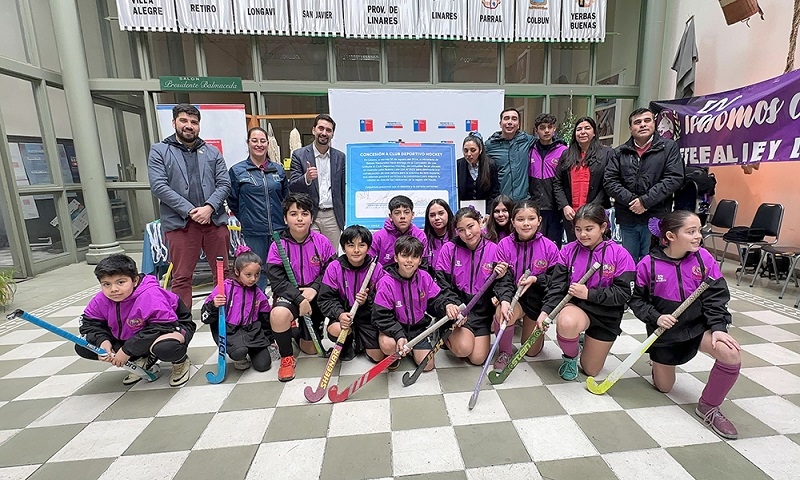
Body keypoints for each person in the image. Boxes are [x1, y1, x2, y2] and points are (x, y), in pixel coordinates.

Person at [629, 210, 741, 439]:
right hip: (666, 334)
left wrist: (718, 327)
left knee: (731, 354)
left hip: (698, 327)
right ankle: (657, 363)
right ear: (670, 236)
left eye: (699, 230)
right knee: (665, 387)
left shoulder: (704, 258)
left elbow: (717, 296)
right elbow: (636, 301)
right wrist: (656, 317)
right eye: (691, 231)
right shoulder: (648, 264)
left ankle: (708, 406)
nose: (698, 236)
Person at [536, 204, 635, 381]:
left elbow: (623, 294)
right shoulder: (567, 251)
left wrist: (589, 293)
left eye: (589, 229)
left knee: (591, 370)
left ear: (603, 227)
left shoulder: (620, 254)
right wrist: (545, 312)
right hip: (577, 308)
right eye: (578, 229)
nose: (582, 235)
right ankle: (570, 356)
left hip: (607, 315)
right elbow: (557, 287)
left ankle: (585, 340)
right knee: (567, 323)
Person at [147, 103, 231, 308]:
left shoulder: (212, 152)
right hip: (181, 224)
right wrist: (191, 211)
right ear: (174, 122)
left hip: (214, 222)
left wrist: (209, 207)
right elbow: (159, 186)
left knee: (223, 273)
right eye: (184, 120)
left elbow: (224, 183)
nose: (189, 126)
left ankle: (225, 315)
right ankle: (183, 322)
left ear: (199, 126)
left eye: (194, 122)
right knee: (182, 276)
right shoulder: (160, 151)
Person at [78, 254, 195, 387]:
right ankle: (141, 358)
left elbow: (163, 326)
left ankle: (180, 360)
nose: (113, 289)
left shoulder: (151, 295)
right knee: (84, 345)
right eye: (106, 284)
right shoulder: (100, 300)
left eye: (120, 282)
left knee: (165, 347)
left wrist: (127, 350)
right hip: (133, 335)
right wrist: (102, 342)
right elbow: (89, 325)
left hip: (172, 329)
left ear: (134, 280)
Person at [266, 193, 337, 382]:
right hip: (290, 295)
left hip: (314, 295)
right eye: (293, 213)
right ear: (285, 218)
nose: (299, 218)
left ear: (311, 217)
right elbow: (277, 281)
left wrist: (313, 289)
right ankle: (286, 357)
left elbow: (331, 271)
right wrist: (299, 299)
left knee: (310, 349)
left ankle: (290, 332)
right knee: (278, 315)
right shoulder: (277, 245)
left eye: (304, 214)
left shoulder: (322, 241)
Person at [604, 108, 685, 262]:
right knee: (628, 260)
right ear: (630, 128)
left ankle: (648, 287)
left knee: (652, 261)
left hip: (655, 217)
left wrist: (645, 201)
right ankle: (630, 286)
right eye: (637, 122)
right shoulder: (619, 152)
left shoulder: (668, 148)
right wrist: (633, 201)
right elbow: (610, 181)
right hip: (628, 216)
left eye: (647, 121)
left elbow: (674, 178)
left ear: (654, 124)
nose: (642, 125)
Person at [435, 207, 511, 365]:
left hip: (481, 313)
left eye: (471, 226)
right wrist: (453, 305)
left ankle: (464, 336)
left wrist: (503, 297)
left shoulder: (494, 249)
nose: (467, 234)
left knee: (477, 359)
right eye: (461, 230)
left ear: (480, 222)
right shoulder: (449, 249)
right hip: (458, 310)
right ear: (456, 231)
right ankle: (443, 333)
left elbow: (503, 283)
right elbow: (442, 284)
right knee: (463, 349)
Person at [494, 200, 560, 370]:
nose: (525, 223)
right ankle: (505, 351)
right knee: (502, 313)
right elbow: (503, 280)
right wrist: (505, 300)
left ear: (539, 220)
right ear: (513, 222)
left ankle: (535, 334)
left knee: (531, 351)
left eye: (531, 218)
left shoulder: (550, 247)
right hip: (516, 299)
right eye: (520, 219)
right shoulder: (504, 245)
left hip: (538, 303)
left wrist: (537, 280)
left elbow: (556, 281)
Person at [373, 236, 453, 371]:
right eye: (404, 256)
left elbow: (436, 300)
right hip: (394, 330)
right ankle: (396, 350)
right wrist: (399, 335)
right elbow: (381, 316)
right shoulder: (386, 282)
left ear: (420, 260)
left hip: (418, 330)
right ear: (396, 258)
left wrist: (447, 305)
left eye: (415, 257)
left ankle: (409, 349)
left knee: (428, 366)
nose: (409, 261)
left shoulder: (424, 277)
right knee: (388, 345)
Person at [228, 126, 289, 291]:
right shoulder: (237, 171)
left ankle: (281, 309)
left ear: (268, 143)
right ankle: (257, 309)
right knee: (256, 272)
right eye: (254, 140)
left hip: (279, 230)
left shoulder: (278, 170)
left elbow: (286, 199)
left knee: (281, 271)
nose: (259, 144)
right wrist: (247, 218)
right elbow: (233, 200)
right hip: (254, 232)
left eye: (262, 141)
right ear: (248, 143)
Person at [201, 246, 273, 373]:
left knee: (264, 365)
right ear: (237, 271)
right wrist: (213, 305)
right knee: (240, 352)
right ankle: (240, 356)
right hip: (230, 332)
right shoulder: (224, 288)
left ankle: (252, 351)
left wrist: (269, 339)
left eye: (257, 274)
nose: (253, 279)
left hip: (252, 332)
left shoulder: (258, 293)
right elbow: (205, 317)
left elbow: (265, 318)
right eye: (248, 275)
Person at [318, 225, 385, 362]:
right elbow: (325, 299)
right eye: (350, 245)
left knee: (377, 357)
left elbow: (384, 303)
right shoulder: (334, 267)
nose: (356, 250)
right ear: (343, 248)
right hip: (343, 317)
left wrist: (368, 300)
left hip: (367, 318)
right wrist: (339, 314)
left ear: (368, 247)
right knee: (336, 329)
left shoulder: (376, 268)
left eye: (361, 245)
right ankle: (348, 343)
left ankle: (360, 342)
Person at [289, 114, 346, 249]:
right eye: (321, 128)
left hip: (333, 216)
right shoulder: (299, 155)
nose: (324, 133)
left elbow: (344, 188)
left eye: (328, 130)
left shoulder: (340, 157)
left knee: (331, 256)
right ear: (313, 130)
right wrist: (306, 178)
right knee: (311, 255)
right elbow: (292, 186)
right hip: (309, 214)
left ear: (332, 134)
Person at [553, 116, 614, 243]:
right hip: (571, 215)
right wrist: (564, 206)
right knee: (575, 251)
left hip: (595, 213)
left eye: (587, 128)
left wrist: (591, 208)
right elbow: (558, 182)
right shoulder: (566, 154)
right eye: (579, 129)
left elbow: (608, 183)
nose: (582, 132)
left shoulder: (607, 154)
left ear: (594, 133)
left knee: (596, 250)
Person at [528, 113, 568, 246]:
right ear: (536, 130)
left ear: (554, 129)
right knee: (535, 244)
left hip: (555, 208)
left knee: (553, 245)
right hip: (535, 207)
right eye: (542, 127)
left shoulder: (563, 151)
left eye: (549, 127)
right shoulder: (529, 150)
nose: (546, 130)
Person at [484, 108, 536, 202]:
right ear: (500, 123)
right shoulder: (489, 146)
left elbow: (546, 143)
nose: (510, 122)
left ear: (519, 124)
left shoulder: (527, 140)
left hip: (522, 201)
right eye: (506, 118)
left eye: (514, 119)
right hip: (500, 202)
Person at [369, 195, 428, 266]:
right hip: (383, 276)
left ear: (412, 215)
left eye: (406, 212)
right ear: (390, 216)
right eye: (397, 213)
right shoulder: (378, 237)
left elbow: (423, 265)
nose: (402, 216)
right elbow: (370, 266)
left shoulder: (420, 236)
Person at [457, 132, 499, 207]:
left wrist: (489, 212)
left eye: (473, 150)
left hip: (485, 210)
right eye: (466, 150)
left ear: (480, 150)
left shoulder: (490, 165)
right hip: (463, 210)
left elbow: (494, 193)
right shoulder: (458, 165)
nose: (469, 154)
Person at [423, 199, 455, 269]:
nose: (437, 218)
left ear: (448, 214)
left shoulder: (459, 237)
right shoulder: (423, 239)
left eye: (441, 213)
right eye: (432, 215)